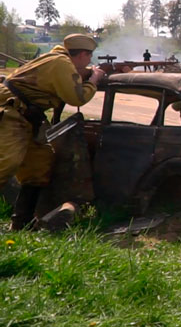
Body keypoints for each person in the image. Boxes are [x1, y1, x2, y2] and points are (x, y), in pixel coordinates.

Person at [0, 34, 105, 230]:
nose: (90, 60)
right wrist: (95, 80)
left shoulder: (57, 59)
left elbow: (69, 75)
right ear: (82, 54)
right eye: (89, 56)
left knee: (39, 164)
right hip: (11, 112)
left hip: (26, 116)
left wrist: (89, 72)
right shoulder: (60, 63)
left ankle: (22, 222)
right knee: (6, 163)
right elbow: (77, 98)